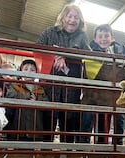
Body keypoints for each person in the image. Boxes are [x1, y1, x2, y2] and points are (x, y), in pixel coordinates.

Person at [36, 4, 91, 143]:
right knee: (48, 117)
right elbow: (37, 48)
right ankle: (46, 154)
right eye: (69, 16)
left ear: (80, 21)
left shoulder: (82, 36)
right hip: (51, 85)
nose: (72, 20)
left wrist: (65, 55)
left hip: (71, 86)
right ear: (63, 17)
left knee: (69, 119)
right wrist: (55, 55)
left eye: (76, 18)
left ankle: (65, 157)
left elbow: (89, 55)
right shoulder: (50, 32)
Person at [81, 24, 125, 144]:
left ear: (112, 38)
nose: (103, 39)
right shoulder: (90, 51)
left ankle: (118, 149)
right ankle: (93, 150)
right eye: (100, 36)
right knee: (98, 124)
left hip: (117, 95)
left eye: (106, 36)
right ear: (95, 40)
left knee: (119, 121)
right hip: (98, 95)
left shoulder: (121, 50)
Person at [5, 59, 48, 141]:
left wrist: (37, 101)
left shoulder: (40, 89)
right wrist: (26, 100)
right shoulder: (15, 86)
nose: (29, 72)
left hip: (35, 129)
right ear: (20, 71)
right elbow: (10, 100)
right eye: (25, 69)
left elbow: (46, 104)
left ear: (36, 73)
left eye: (32, 70)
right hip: (18, 128)